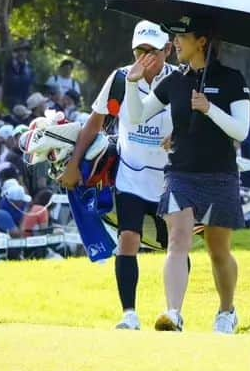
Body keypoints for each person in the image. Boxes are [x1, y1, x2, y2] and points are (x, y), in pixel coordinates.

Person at [125, 15, 250, 334]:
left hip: (220, 174)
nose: (175, 42)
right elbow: (137, 116)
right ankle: (173, 313)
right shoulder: (174, 81)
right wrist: (131, 82)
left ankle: (226, 311)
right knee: (178, 240)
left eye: (181, 37)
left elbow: (242, 130)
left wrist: (210, 109)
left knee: (218, 250)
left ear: (202, 42)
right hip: (181, 172)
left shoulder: (233, 79)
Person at [59, 21, 176, 329]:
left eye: (152, 50)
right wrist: (73, 164)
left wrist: (182, 138)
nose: (145, 57)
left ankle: (174, 313)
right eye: (140, 50)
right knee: (128, 240)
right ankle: (129, 314)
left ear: (168, 49)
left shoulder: (181, 80)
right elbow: (95, 122)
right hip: (131, 175)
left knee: (175, 246)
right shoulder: (120, 79)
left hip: (169, 178)